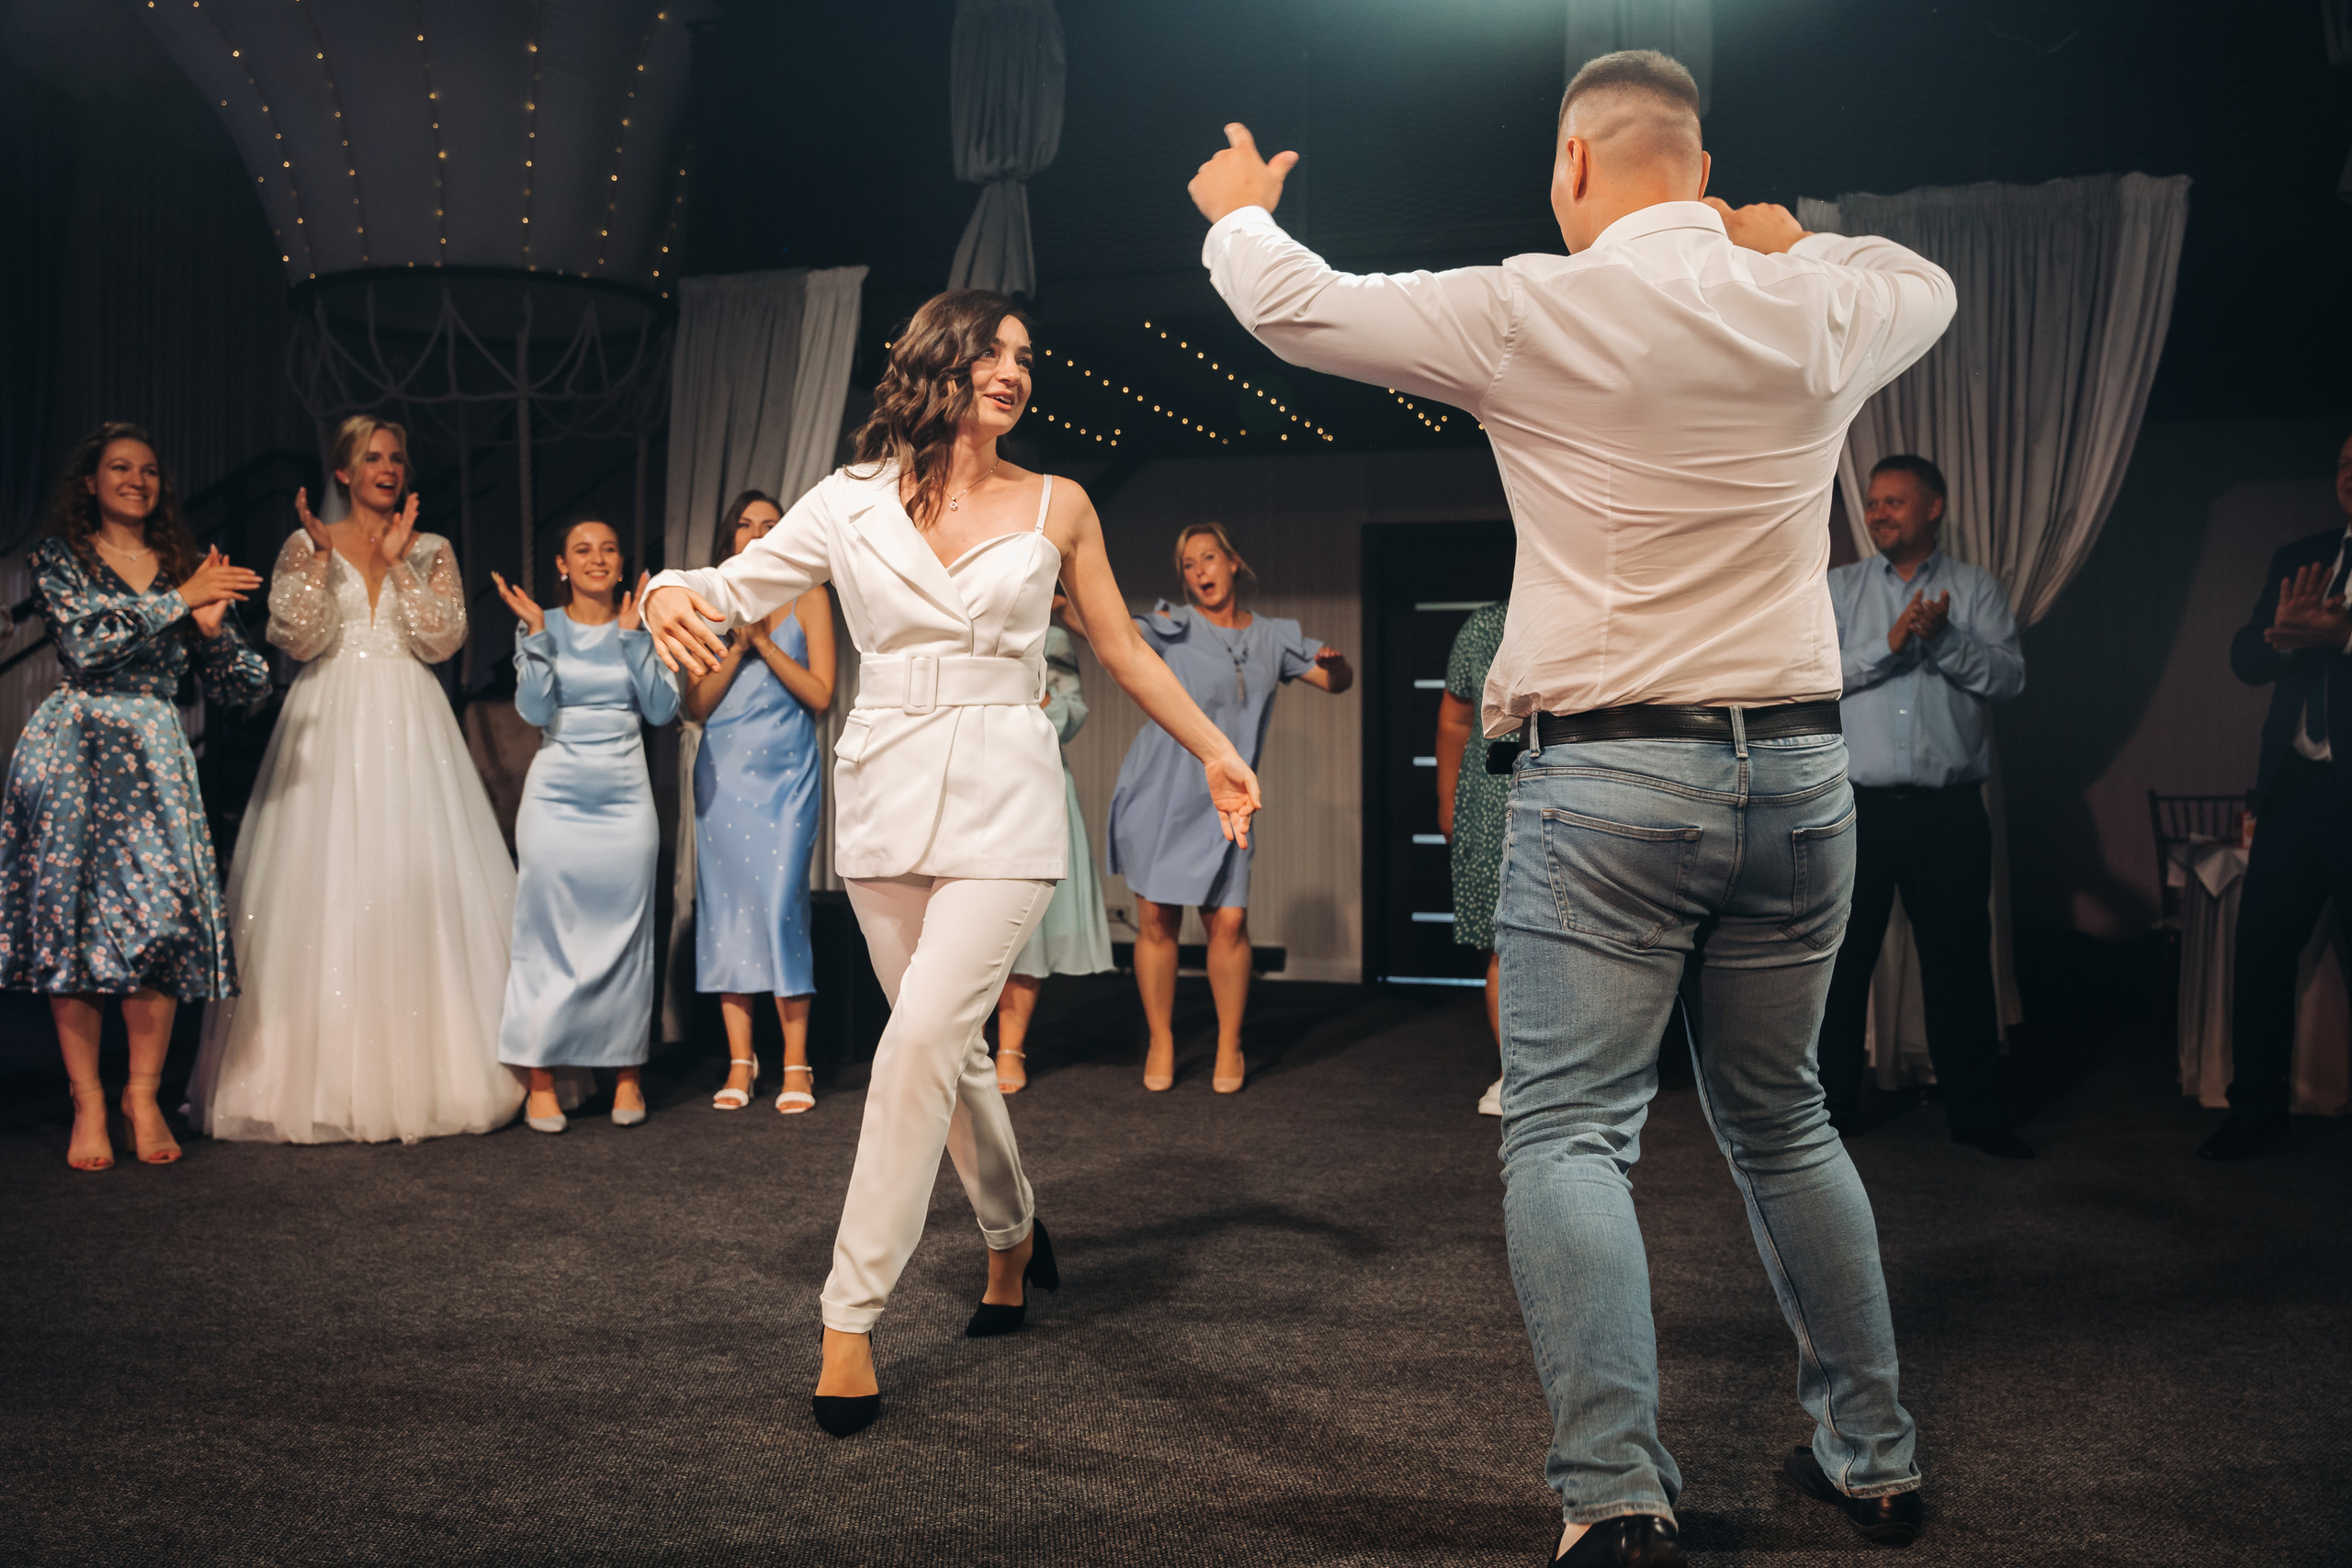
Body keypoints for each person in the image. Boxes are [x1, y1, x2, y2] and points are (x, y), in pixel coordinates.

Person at [1187, 50, 1954, 1564]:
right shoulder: (1818, 302)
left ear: (1577, 167)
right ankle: (1872, 1456)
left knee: (1569, 1132)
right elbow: (1921, 281)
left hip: (1608, 780)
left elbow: (1293, 305)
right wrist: (1791, 239)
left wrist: (1236, 212)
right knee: (1786, 1117)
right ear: (1699, 160)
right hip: (1803, 775)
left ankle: (1617, 1500)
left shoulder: (1537, 298)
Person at [641, 288, 1261, 1439]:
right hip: (882, 799)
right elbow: (728, 589)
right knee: (954, 1050)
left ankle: (847, 1318)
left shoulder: (1058, 503)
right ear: (940, 361)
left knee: (918, 1040)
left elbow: (1120, 648)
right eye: (993, 351)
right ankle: (1013, 1233)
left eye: (1027, 355)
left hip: (1006, 797)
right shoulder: (848, 499)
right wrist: (661, 589)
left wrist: (1220, 751)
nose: (1015, 371)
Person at [188, 415, 524, 1145]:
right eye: (371, 456)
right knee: (327, 884)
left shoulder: (432, 547)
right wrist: (313, 556)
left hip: (410, 716)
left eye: (398, 456)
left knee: (415, 877)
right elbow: (294, 635)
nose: (388, 466)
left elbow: (444, 638)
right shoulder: (306, 543)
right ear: (342, 470)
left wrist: (400, 563)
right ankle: (317, 1075)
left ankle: (441, 1068)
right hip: (331, 710)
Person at [0, 423, 268, 1169]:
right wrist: (179, 600)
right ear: (90, 480)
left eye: (149, 470)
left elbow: (246, 686)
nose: (137, 480)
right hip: (78, 747)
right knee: (76, 928)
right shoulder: (62, 558)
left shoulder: (184, 564)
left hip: (155, 754)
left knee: (161, 925)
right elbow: (87, 644)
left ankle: (141, 1094)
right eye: (120, 467)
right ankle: (88, 1101)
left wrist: (212, 631)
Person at [1819, 455, 2029, 1157]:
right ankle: (1827, 1117)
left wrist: (1945, 640)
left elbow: (2009, 678)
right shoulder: (1840, 589)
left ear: (1933, 507)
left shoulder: (1977, 591)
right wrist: (1892, 643)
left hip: (1949, 812)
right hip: (1858, 811)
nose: (1878, 514)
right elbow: (1815, 675)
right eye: (1873, 503)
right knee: (1841, 967)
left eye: (1894, 502)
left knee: (1960, 965)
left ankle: (1975, 1116)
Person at [1104, 524, 1351, 1094]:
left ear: (1233, 562)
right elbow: (1104, 632)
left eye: (1208, 558)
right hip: (1160, 792)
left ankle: (1228, 1043)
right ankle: (1162, 1041)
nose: (1199, 573)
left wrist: (1337, 666)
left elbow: (1335, 680)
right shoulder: (1172, 626)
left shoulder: (1272, 637)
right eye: (1188, 565)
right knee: (1158, 920)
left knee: (1231, 921)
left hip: (1227, 800)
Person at [490, 520, 681, 1132]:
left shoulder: (643, 627)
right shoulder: (542, 625)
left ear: (622, 564)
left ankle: (626, 1071)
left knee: (625, 936)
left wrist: (632, 640)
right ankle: (540, 1074)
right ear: (562, 566)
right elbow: (535, 711)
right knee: (546, 933)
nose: (596, 558)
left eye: (608, 549)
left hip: (626, 801)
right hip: (556, 800)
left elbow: (660, 710)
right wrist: (539, 638)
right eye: (582, 550)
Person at [2205, 429, 2352, 1160]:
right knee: (2261, 950)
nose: (2350, 474)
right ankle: (2255, 1110)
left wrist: (2344, 638)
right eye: (2344, 462)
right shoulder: (2302, 557)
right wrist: (2286, 640)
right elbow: (2244, 654)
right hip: (2293, 790)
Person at [682, 489, 834, 1114]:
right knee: (728, 912)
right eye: (744, 524)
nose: (757, 532)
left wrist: (765, 642)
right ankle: (741, 1061)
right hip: (724, 778)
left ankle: (797, 1061)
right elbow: (695, 704)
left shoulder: (810, 597)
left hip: (788, 775)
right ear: (729, 540)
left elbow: (821, 695)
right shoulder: (708, 606)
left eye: (771, 524)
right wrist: (736, 643)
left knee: (779, 908)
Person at [991, 592, 1115, 1094]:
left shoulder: (1055, 640)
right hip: (973, 784)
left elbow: (1068, 714)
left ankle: (1009, 1049)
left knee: (1028, 932)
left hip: (1037, 784)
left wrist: (1030, 685)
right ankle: (964, 1050)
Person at [1434, 599, 1509, 1115]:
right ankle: (1516, 1076)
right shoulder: (1486, 626)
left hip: (1582, 794)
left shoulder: (1599, 611)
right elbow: (1455, 721)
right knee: (1506, 943)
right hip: (1493, 801)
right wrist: (1447, 802)